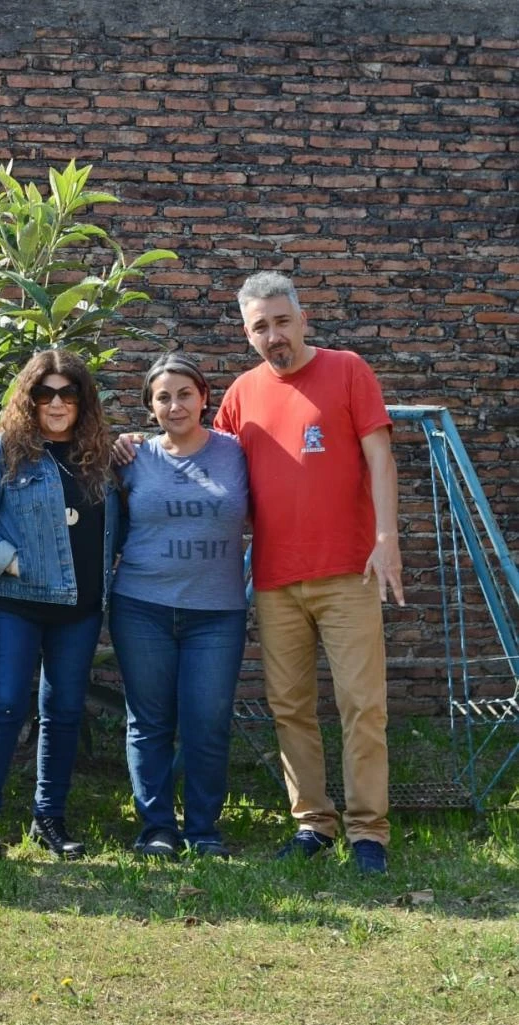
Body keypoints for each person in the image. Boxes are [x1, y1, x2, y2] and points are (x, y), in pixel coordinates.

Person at [214, 270, 404, 874]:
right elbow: (206, 461)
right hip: (275, 578)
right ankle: (313, 824)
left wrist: (386, 539)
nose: (273, 335)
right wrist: (138, 446)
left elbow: (380, 455)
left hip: (349, 572)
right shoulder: (241, 394)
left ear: (303, 319)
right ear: (248, 335)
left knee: (361, 705)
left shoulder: (348, 369)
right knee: (290, 707)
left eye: (281, 320)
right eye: (259, 327)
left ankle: (368, 833)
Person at [0, 350, 120, 861]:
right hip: (15, 603)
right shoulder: (3, 452)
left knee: (64, 710)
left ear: (83, 400)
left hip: (81, 607)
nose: (57, 403)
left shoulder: (103, 458)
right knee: (3, 705)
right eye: (44, 393)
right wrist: (14, 562)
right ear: (29, 398)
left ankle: (49, 820)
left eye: (68, 393)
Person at [110, 353, 248, 860]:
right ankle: (157, 828)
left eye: (184, 394)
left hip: (217, 612)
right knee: (148, 721)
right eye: (163, 397)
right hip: (141, 606)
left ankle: (205, 829)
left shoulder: (237, 452)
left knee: (207, 720)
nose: (174, 405)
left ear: (204, 398)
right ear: (150, 406)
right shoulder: (132, 456)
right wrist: (115, 448)